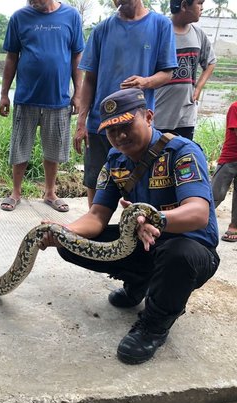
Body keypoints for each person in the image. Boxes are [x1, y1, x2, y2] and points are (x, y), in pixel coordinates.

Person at [40, 88, 219, 364]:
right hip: (144, 243)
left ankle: (154, 326)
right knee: (69, 245)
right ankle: (139, 282)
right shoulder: (115, 161)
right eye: (112, 130)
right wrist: (63, 231)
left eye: (126, 125)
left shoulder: (182, 152)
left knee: (177, 254)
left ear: (148, 117)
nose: (120, 136)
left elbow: (198, 214)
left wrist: (154, 218)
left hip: (191, 249)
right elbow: (97, 216)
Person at [75, 0, 177, 208]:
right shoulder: (102, 29)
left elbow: (167, 72)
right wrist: (81, 121)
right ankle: (96, 229)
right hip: (100, 124)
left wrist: (145, 82)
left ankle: (136, 229)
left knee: (139, 182)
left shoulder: (160, 25)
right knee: (95, 180)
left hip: (136, 124)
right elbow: (90, 80)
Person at [0, 0, 85, 212]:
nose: (32, 1)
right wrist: (4, 94)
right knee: (20, 147)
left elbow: (77, 57)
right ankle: (16, 193)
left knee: (54, 149)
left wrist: (78, 94)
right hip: (26, 97)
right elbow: (11, 57)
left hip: (58, 98)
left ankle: (50, 193)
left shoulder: (71, 16)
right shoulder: (19, 17)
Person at [154, 0, 216, 140]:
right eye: (199, 3)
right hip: (159, 113)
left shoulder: (198, 34)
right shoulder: (161, 32)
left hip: (186, 114)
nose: (202, 8)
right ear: (183, 6)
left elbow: (211, 62)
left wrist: (198, 87)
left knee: (183, 156)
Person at [212, 101, 237, 242]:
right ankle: (198, 221)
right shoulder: (235, 107)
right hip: (230, 158)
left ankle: (234, 225)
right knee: (216, 193)